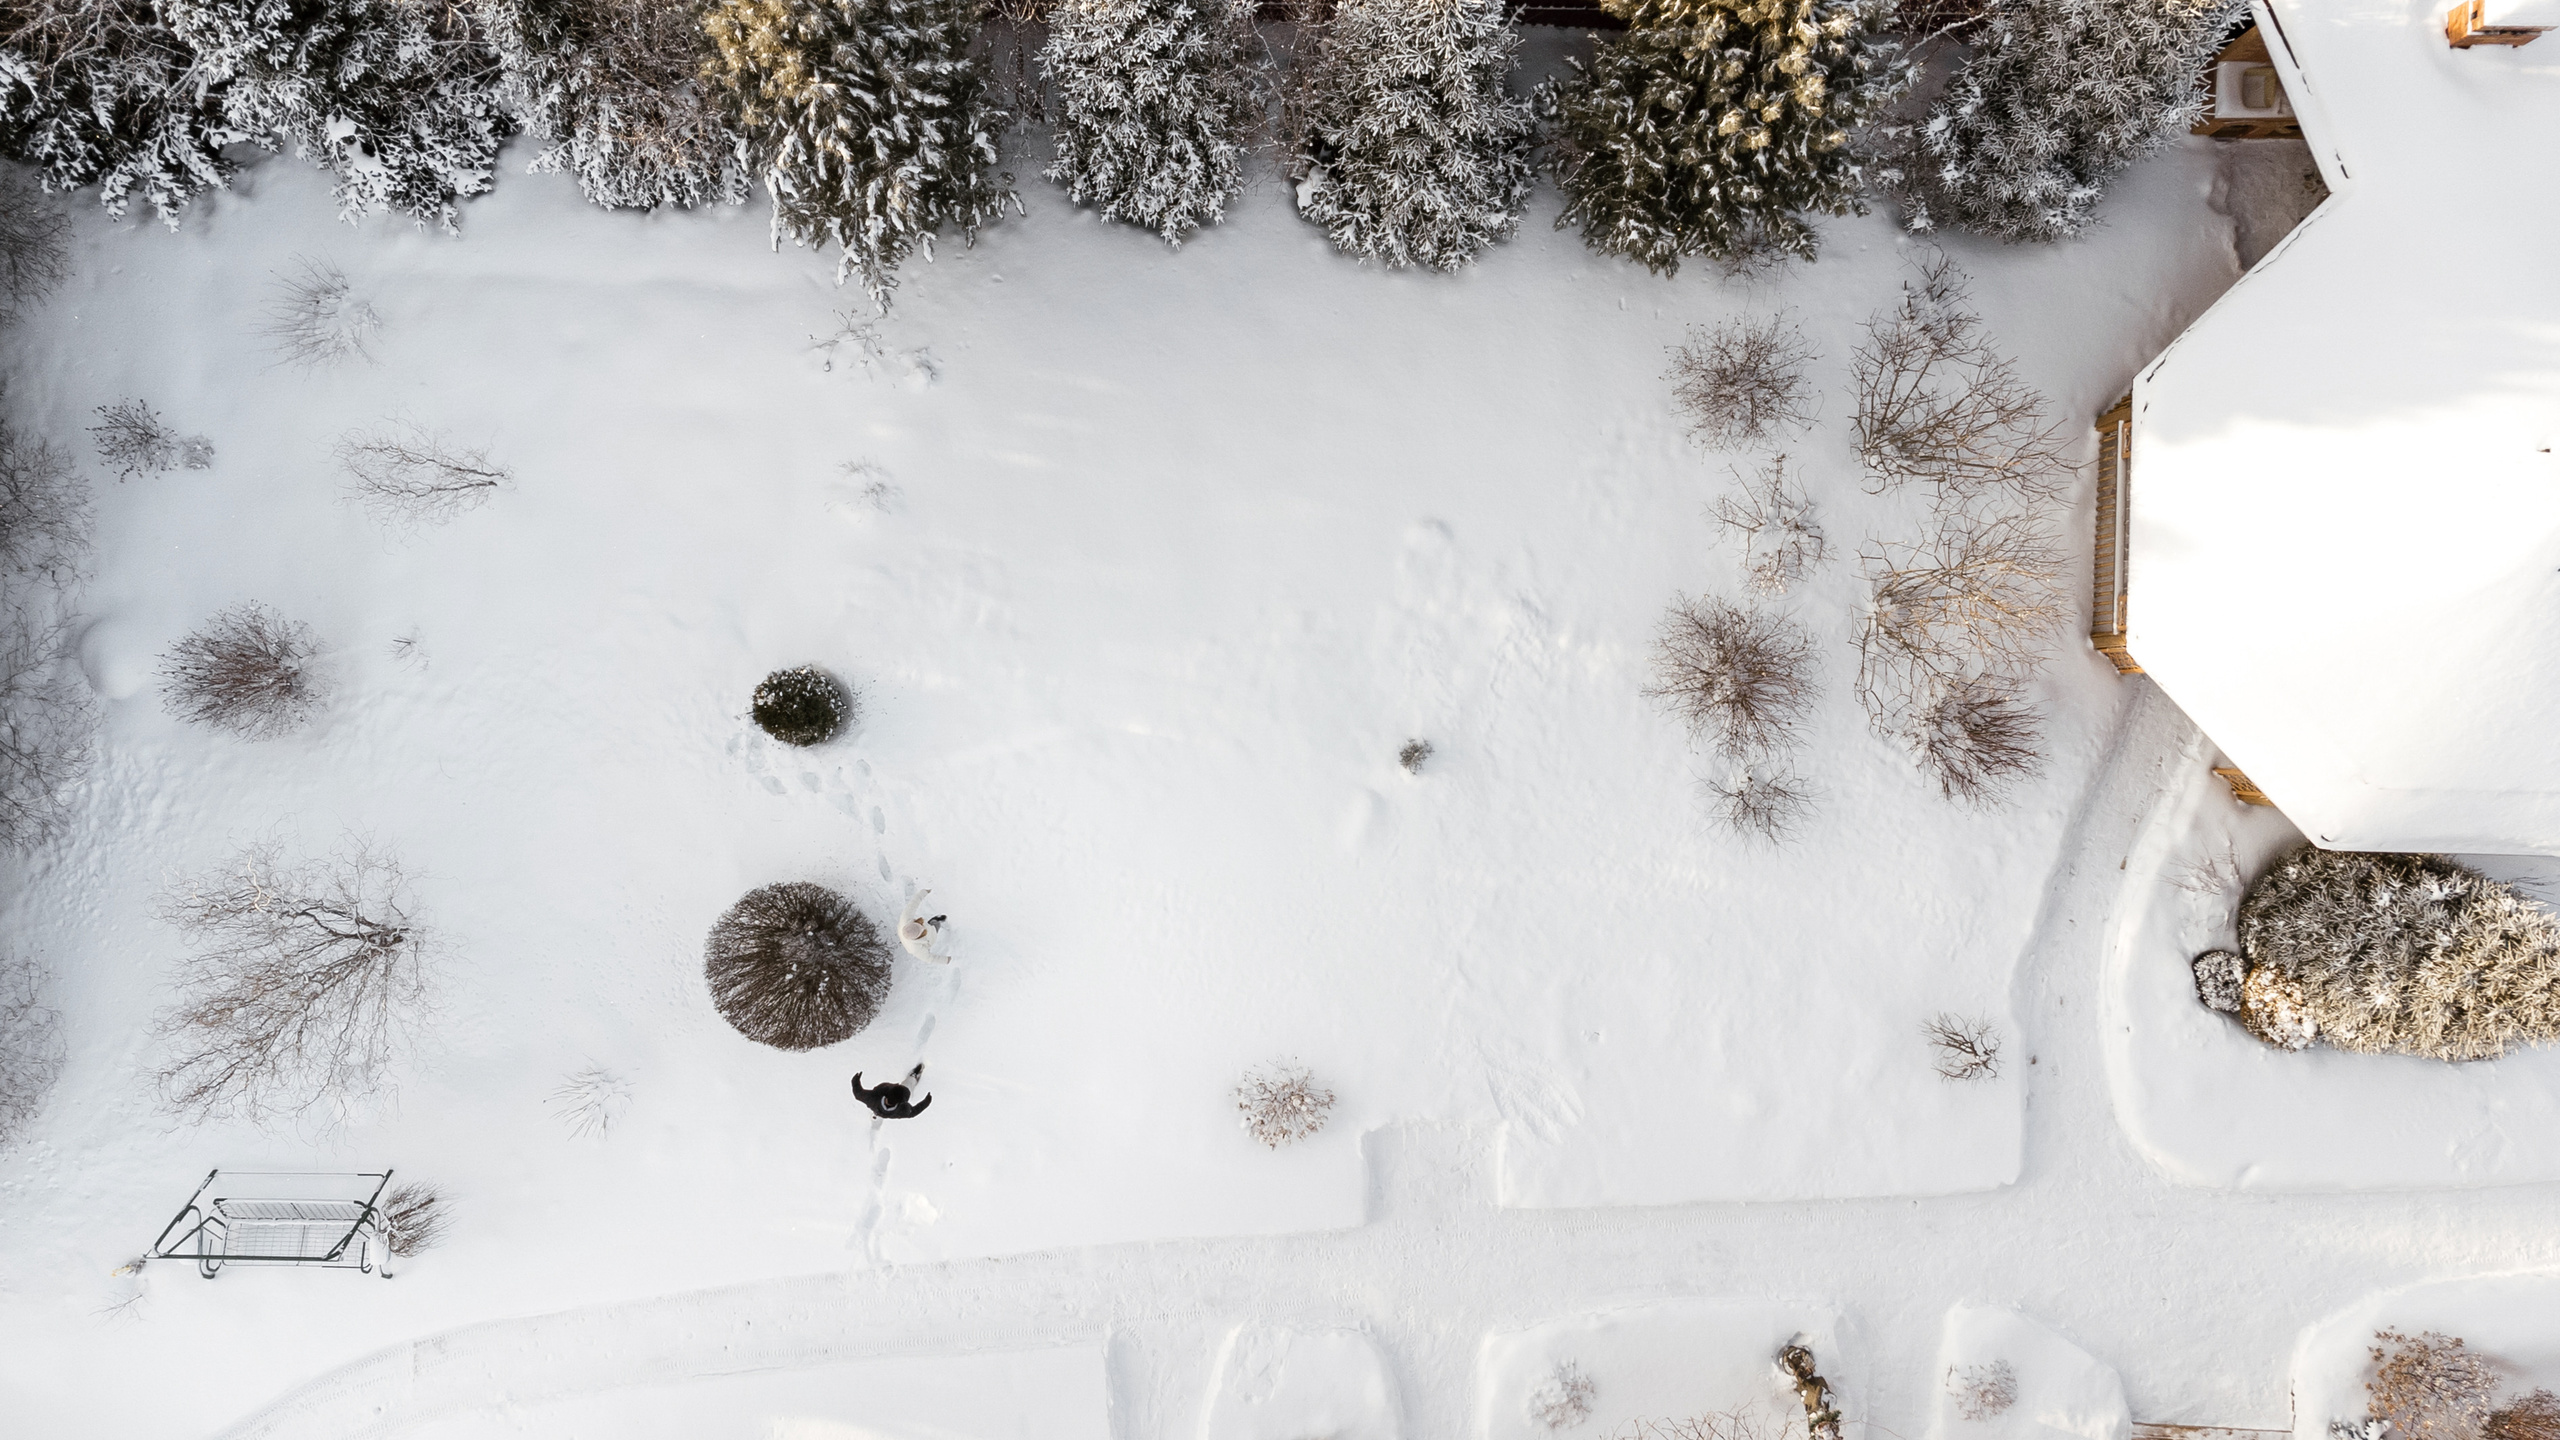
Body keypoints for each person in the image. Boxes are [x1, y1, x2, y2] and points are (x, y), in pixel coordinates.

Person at [853, 1063, 932, 1120]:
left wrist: (855, 1081)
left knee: (879, 1112)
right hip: (894, 1101)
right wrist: (926, 1102)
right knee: (909, 1084)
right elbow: (913, 1112)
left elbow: (858, 1094)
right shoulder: (903, 1110)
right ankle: (913, 1076)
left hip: (877, 1106)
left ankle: (877, 1115)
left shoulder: (872, 1099)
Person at [898, 888, 950, 964]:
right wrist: (946, 960)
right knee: (935, 924)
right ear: (919, 936)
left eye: (919, 924)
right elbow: (930, 958)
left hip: (922, 934)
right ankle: (943, 923)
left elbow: (912, 905)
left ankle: (937, 920)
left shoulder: (905, 918)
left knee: (931, 922)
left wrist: (923, 893)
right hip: (930, 938)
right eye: (922, 930)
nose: (922, 926)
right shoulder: (915, 949)